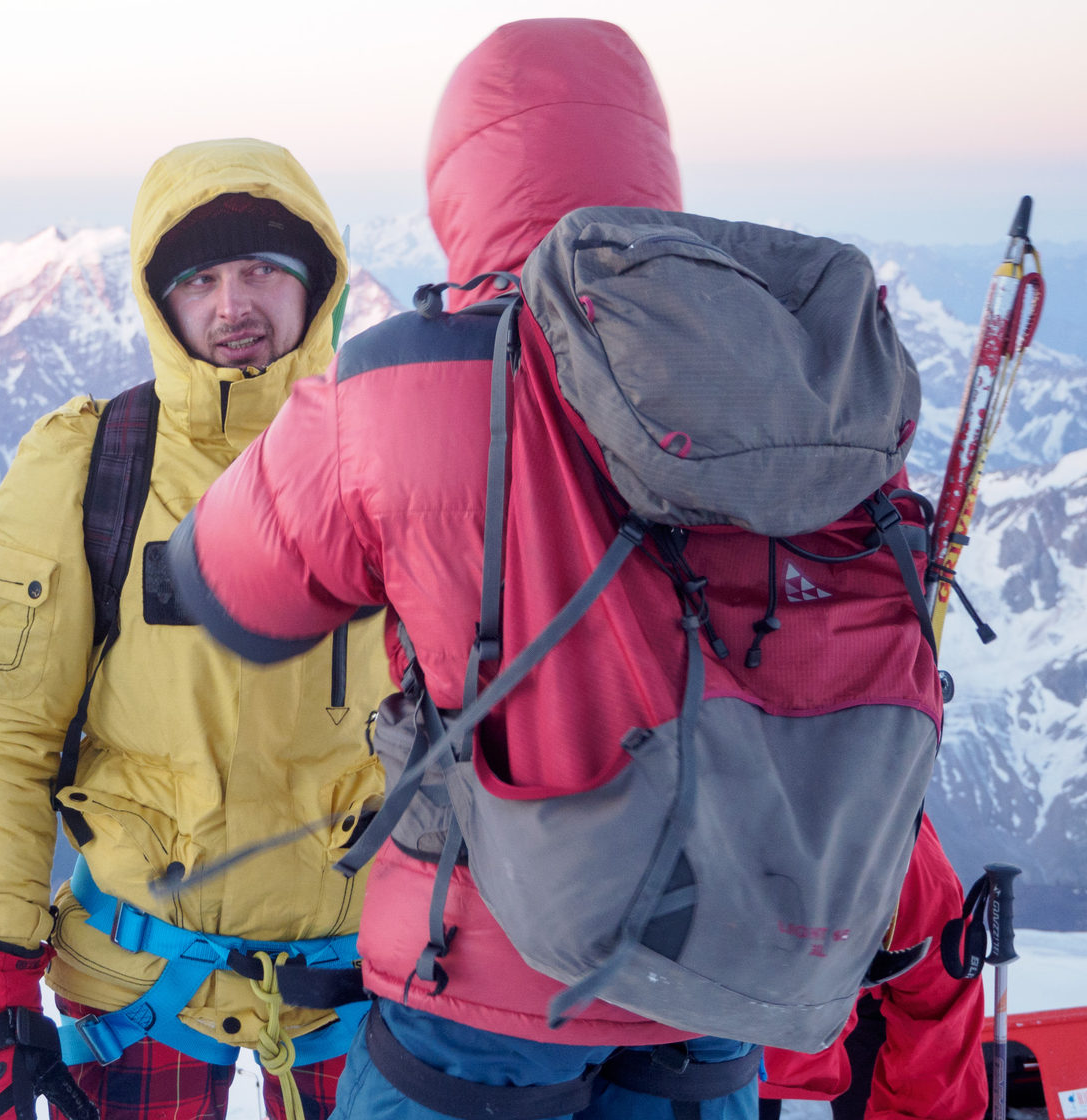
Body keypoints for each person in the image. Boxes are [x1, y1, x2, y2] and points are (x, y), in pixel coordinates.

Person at [164, 19, 929, 1120]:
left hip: (485, 972)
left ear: (458, 184)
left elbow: (230, 582)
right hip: (727, 963)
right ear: (649, 160)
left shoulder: (402, 382)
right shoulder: (794, 368)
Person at [0, 138, 389, 1120]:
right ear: (160, 298)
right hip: (139, 983)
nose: (234, 304)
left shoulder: (394, 463)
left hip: (361, 988)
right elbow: (10, 735)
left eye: (264, 269)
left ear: (318, 284)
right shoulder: (93, 465)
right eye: (201, 277)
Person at [760, 816, 989, 1120]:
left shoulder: (911, 875)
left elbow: (937, 1022)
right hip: (721, 1016)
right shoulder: (904, 862)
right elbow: (938, 1026)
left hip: (714, 1017)